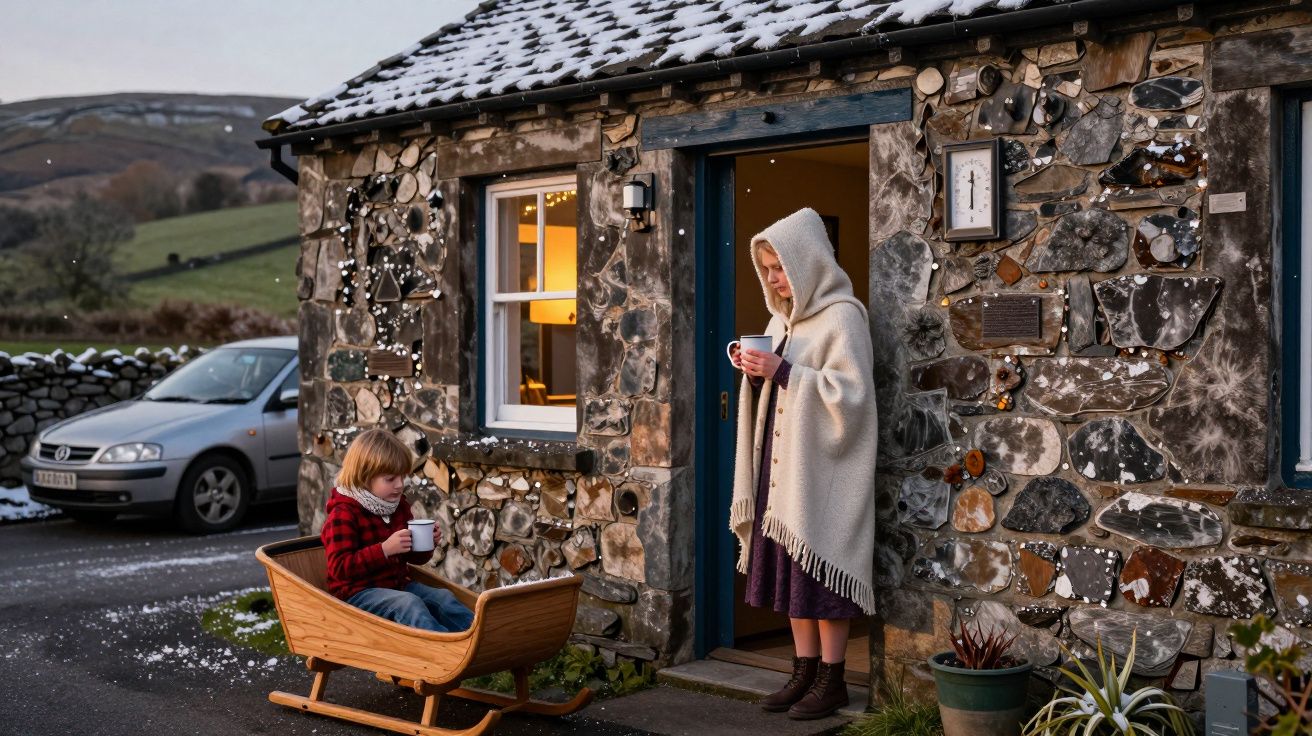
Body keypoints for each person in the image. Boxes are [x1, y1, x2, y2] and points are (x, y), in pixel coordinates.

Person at [728, 207, 878, 720]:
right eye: (766, 268)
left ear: (807, 260)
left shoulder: (843, 316)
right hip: (782, 465)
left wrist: (784, 369)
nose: (773, 278)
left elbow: (853, 397)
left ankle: (833, 681)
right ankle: (803, 672)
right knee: (794, 574)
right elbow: (777, 387)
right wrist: (754, 373)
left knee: (821, 576)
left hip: (823, 471)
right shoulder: (780, 321)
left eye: (780, 267)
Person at [321, 428, 473, 633]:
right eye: (390, 479)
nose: (400, 485)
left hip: (397, 586)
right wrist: (383, 550)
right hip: (357, 595)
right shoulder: (343, 514)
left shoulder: (397, 506)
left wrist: (426, 544)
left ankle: (481, 638)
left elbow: (413, 559)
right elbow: (339, 568)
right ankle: (443, 652)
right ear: (364, 476)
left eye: (402, 477)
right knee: (408, 604)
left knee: (442, 598)